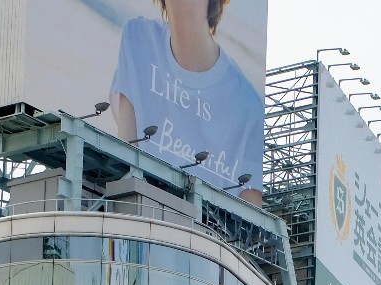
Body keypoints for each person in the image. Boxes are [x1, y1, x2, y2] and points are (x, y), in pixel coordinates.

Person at [107, 0, 266, 206]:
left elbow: (250, 229)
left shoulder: (249, 108)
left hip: (201, 237)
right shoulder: (138, 39)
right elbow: (125, 165)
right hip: (137, 224)